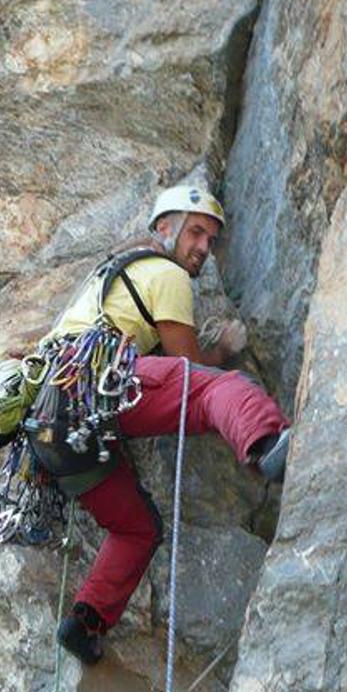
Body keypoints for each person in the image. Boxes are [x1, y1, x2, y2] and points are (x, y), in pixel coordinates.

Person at [40, 185, 291, 665]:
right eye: (196, 232)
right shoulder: (164, 273)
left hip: (51, 422)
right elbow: (191, 372)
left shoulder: (102, 282)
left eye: (211, 240)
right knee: (218, 387)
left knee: (137, 527)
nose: (203, 247)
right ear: (163, 229)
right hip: (99, 388)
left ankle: (86, 621)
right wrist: (225, 350)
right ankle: (266, 444)